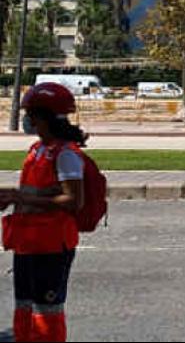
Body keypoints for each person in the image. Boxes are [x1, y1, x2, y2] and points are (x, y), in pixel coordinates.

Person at [0, 83, 87, 342]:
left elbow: (74, 200)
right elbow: (36, 191)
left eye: (31, 114)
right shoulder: (37, 150)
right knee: (25, 306)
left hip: (51, 244)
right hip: (28, 242)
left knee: (46, 312)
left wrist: (20, 197)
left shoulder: (65, 155)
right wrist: (11, 197)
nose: (28, 120)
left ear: (44, 117)